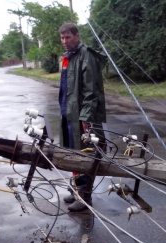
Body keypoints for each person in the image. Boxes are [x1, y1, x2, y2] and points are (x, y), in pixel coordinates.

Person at [58, 23, 107, 212]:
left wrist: (86, 118)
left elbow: (91, 91)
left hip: (82, 116)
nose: (65, 41)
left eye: (68, 37)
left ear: (77, 36)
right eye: (62, 38)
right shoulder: (68, 58)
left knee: (84, 154)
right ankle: (77, 189)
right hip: (69, 113)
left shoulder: (86, 56)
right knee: (72, 152)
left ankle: (85, 196)